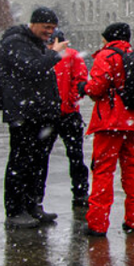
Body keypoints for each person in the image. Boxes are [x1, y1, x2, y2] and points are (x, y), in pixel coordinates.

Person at [0, 6, 69, 228]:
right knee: (21, 162)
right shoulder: (15, 42)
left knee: (39, 162)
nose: (50, 32)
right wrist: (54, 53)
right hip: (24, 114)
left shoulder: (35, 43)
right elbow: (33, 69)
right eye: (46, 27)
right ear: (33, 24)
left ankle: (33, 205)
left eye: (53, 28)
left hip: (41, 114)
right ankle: (15, 211)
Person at [82, 22, 134, 236]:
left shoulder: (107, 55)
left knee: (103, 170)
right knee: (133, 168)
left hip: (111, 121)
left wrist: (83, 87)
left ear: (109, 37)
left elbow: (97, 87)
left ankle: (98, 223)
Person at [48, 29, 90, 209]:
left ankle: (80, 192)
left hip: (63, 113)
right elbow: (80, 80)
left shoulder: (68, 57)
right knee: (75, 156)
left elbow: (80, 81)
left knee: (75, 156)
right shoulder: (55, 56)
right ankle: (80, 193)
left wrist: (69, 100)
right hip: (61, 113)